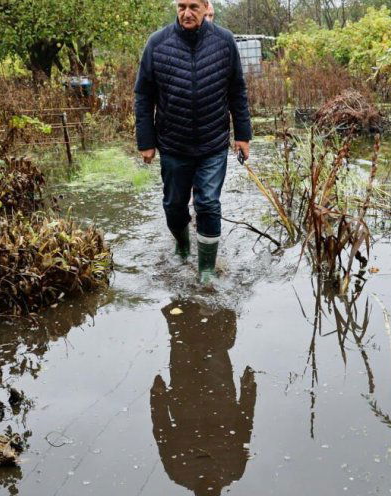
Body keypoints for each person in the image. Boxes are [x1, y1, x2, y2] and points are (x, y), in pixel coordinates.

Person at [134, 0, 252, 283]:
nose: (187, 13)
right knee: (174, 205)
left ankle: (207, 271)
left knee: (208, 204)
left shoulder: (224, 42)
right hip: (173, 143)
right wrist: (146, 141)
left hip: (213, 142)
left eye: (194, 7)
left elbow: (237, 90)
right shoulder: (157, 43)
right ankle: (182, 245)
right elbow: (143, 95)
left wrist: (243, 135)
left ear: (206, 6)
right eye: (182, 6)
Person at [151, 299, 256, 496]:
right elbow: (245, 425)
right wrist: (248, 391)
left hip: (184, 397)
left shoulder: (178, 472)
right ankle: (214, 297)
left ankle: (184, 298)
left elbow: (162, 431)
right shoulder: (233, 469)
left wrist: (157, 397)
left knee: (182, 340)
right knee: (215, 343)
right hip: (221, 394)